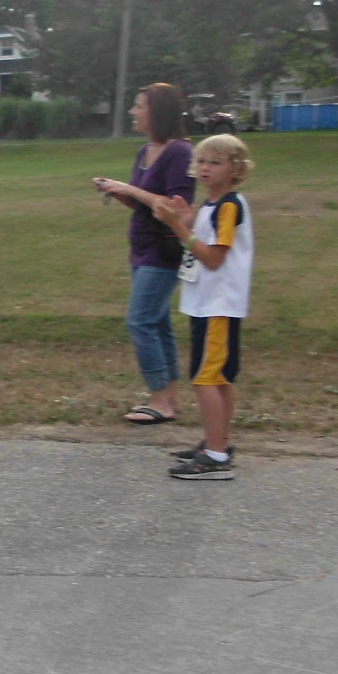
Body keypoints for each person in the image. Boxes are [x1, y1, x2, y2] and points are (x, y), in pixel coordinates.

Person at [152, 135, 256, 481]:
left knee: (206, 378)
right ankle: (217, 443)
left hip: (219, 305)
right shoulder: (212, 205)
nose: (205, 168)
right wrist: (187, 219)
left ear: (235, 168)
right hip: (205, 304)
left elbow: (212, 258)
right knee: (218, 377)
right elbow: (204, 241)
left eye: (215, 162)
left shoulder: (229, 206)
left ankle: (216, 456)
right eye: (201, 162)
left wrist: (178, 227)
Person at [92, 83, 194, 425]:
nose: (133, 112)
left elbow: (176, 209)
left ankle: (159, 400)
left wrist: (129, 187)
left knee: (140, 320)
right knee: (158, 322)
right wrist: (117, 191)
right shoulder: (144, 150)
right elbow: (144, 203)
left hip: (164, 251)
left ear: (157, 112)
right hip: (141, 247)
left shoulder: (179, 152)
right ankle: (170, 398)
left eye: (139, 106)